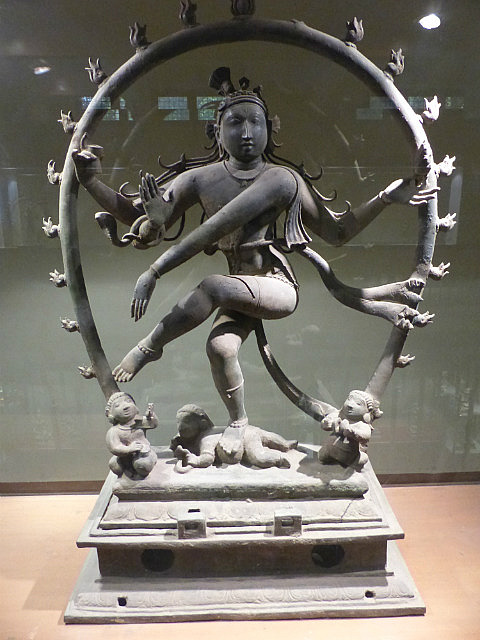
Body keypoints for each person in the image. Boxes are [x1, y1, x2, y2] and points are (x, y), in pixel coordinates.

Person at [73, 69, 437, 456]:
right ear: (216, 130)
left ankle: (149, 347)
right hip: (236, 291)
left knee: (213, 286)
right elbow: (137, 214)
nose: (247, 132)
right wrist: (91, 180)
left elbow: (335, 232)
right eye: (235, 122)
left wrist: (384, 197)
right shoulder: (201, 179)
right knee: (220, 349)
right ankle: (239, 423)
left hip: (275, 285)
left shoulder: (281, 180)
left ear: (269, 128)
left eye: (255, 122)